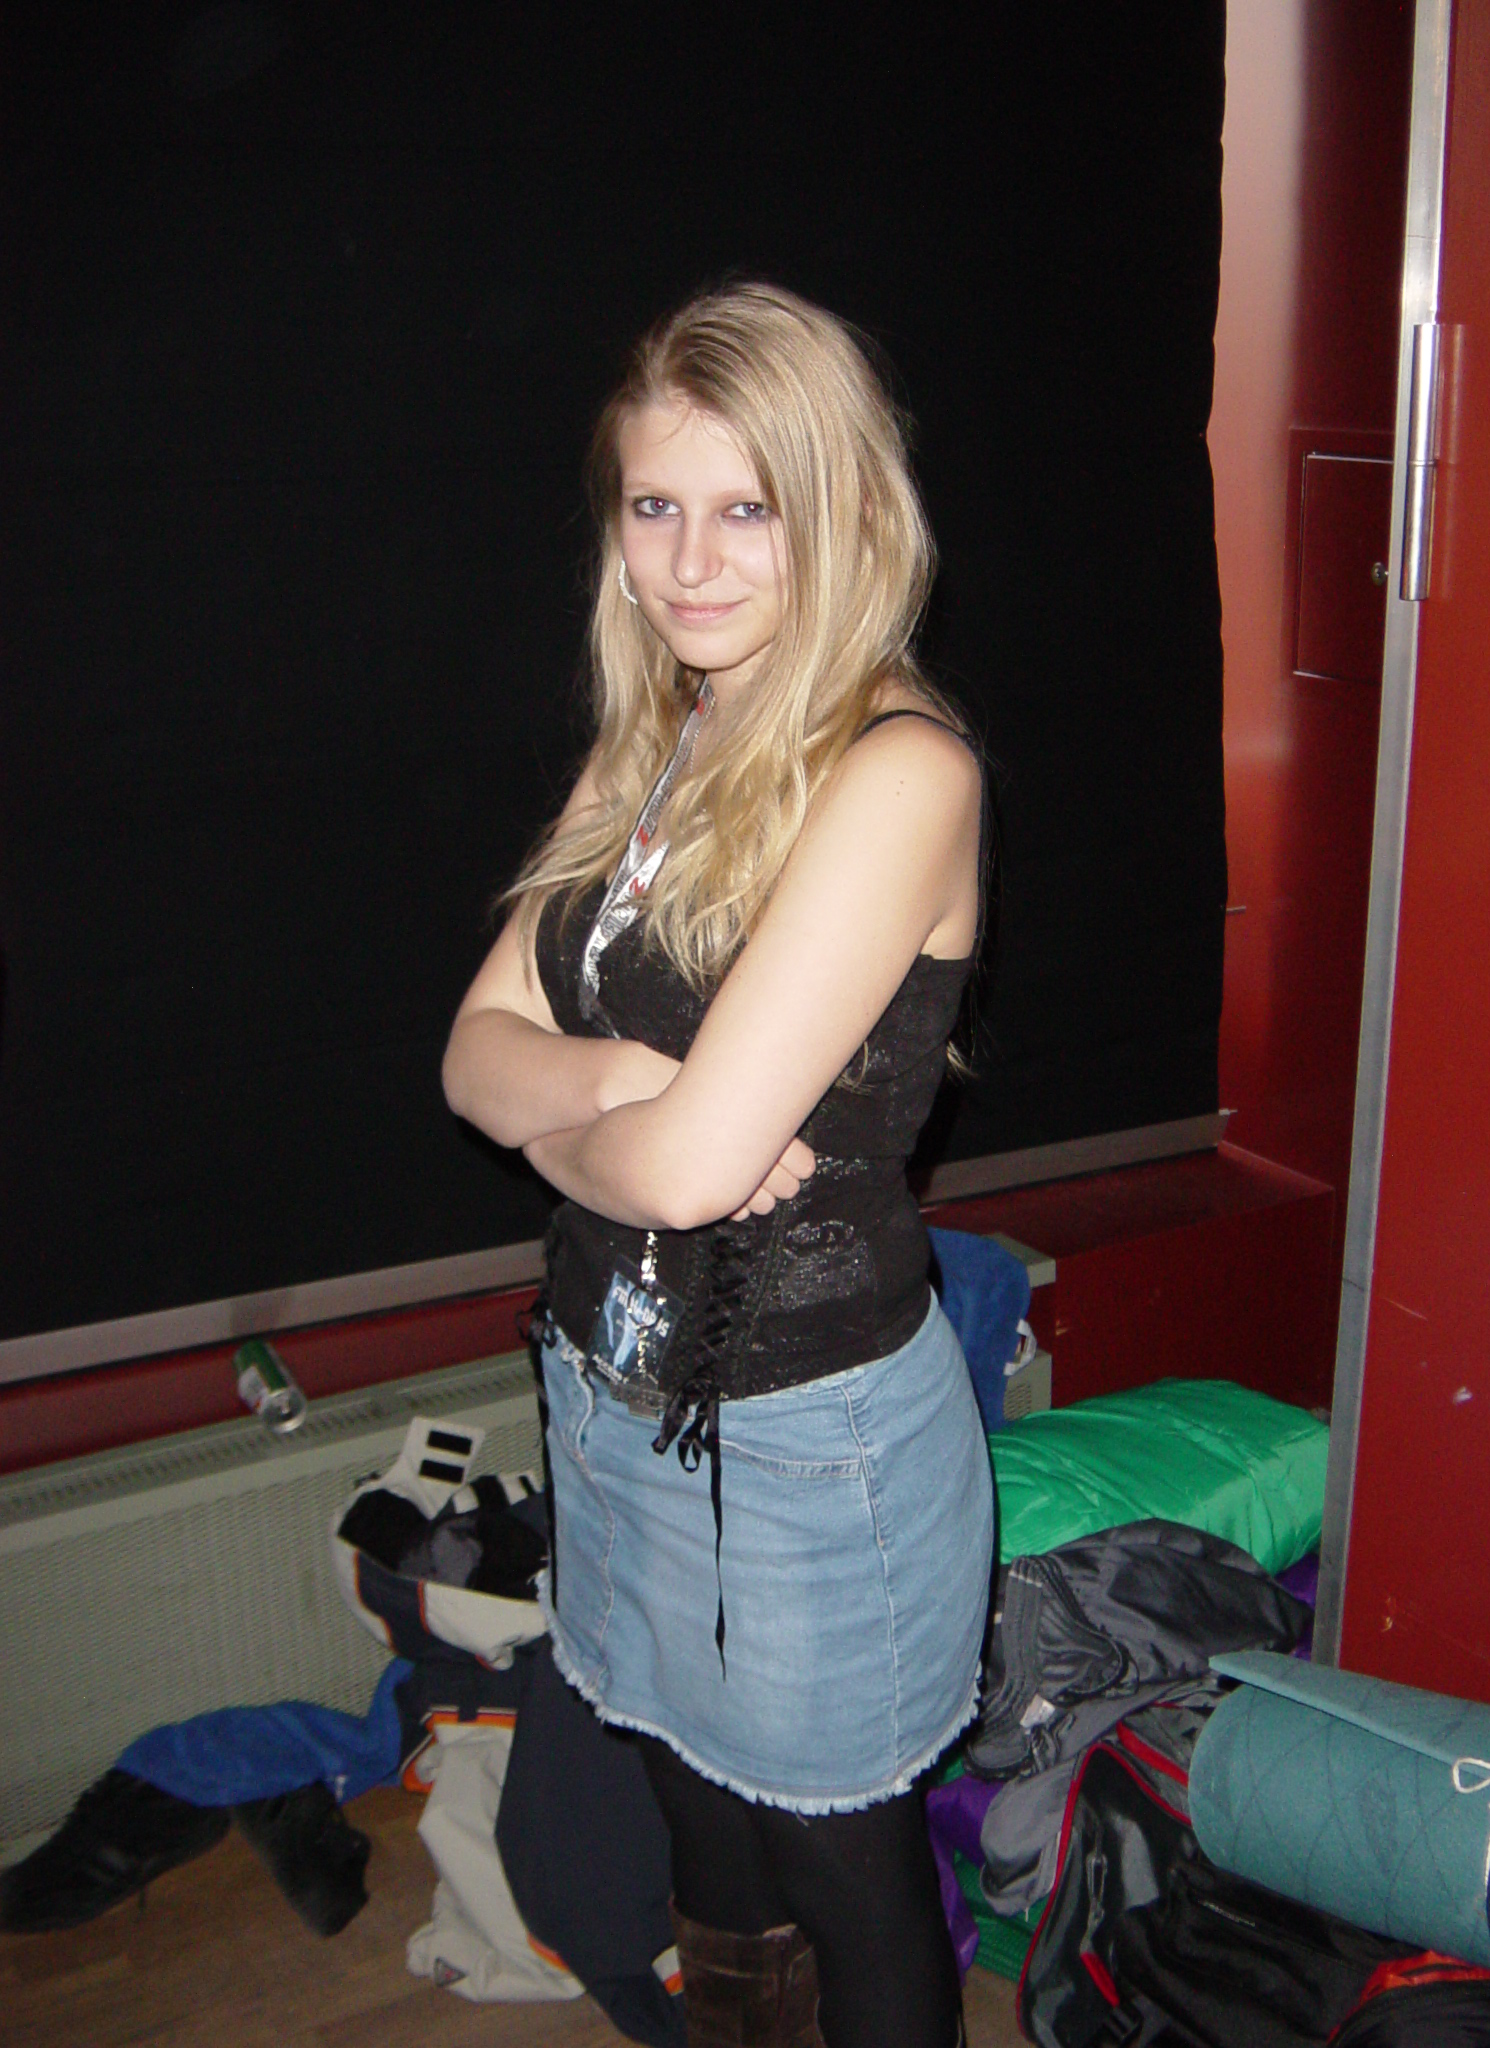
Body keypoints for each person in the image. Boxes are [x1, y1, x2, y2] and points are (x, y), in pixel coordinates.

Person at [442, 282, 994, 2048]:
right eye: (654, 505)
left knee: (848, 1880)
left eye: (747, 507)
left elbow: (688, 1178)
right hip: (606, 1400)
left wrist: (600, 1135)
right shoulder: (659, 734)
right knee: (706, 1835)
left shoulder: (899, 772)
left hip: (808, 1444)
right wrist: (616, 1084)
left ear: (840, 511)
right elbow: (469, 1057)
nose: (689, 563)